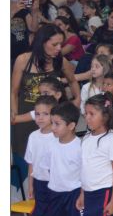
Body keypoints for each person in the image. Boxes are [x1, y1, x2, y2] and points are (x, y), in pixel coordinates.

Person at [15, 102, 90, 216]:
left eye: (57, 124)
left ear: (71, 126)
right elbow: (46, 170)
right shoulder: (52, 145)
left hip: (74, 194)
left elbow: (86, 174)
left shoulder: (81, 147)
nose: (53, 127)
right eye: (53, 123)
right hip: (55, 193)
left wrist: (82, 195)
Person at [11, 25, 81, 179]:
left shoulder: (60, 61)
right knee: (24, 156)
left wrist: (77, 100)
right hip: (25, 115)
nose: (58, 49)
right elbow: (14, 91)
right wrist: (14, 114)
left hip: (51, 119)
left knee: (49, 158)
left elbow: (72, 81)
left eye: (61, 44)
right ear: (42, 42)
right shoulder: (23, 60)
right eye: (54, 44)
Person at [24, 95, 64, 216]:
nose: (40, 117)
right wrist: (31, 185)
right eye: (38, 114)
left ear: (54, 115)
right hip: (40, 183)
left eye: (45, 114)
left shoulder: (57, 136)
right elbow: (31, 163)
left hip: (57, 184)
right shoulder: (33, 136)